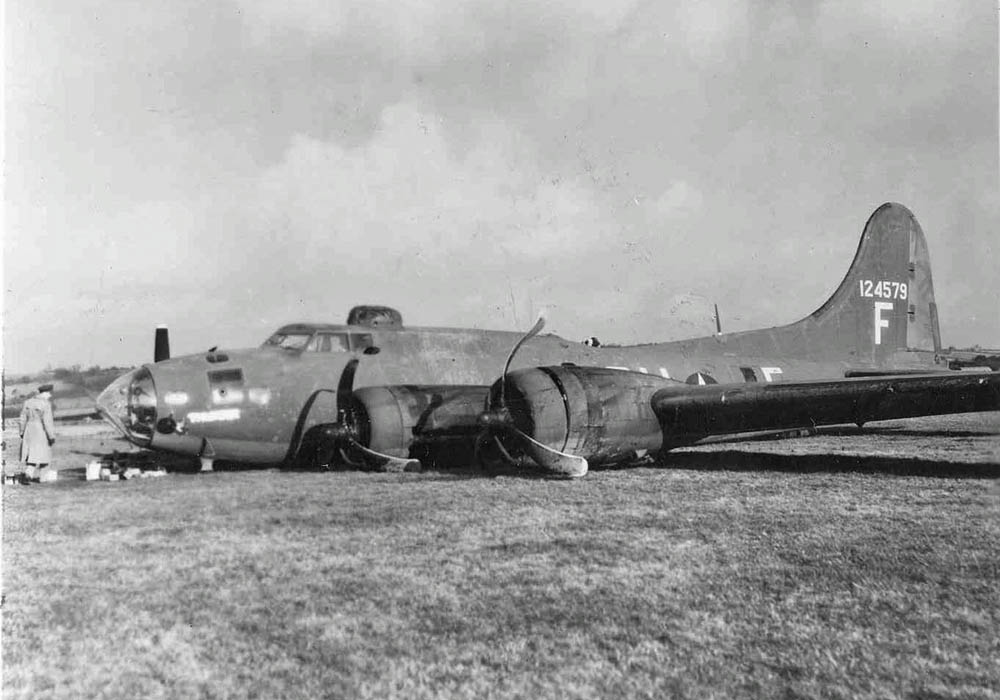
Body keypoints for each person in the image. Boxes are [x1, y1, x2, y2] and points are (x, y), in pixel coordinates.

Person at [19, 384, 56, 483]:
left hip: (28, 430)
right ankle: (43, 478)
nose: (50, 396)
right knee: (45, 455)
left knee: (31, 455)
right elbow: (47, 422)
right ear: (45, 393)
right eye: (49, 393)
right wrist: (51, 436)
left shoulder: (27, 402)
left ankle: (28, 473)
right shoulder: (46, 404)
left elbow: (22, 419)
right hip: (41, 431)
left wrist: (22, 432)